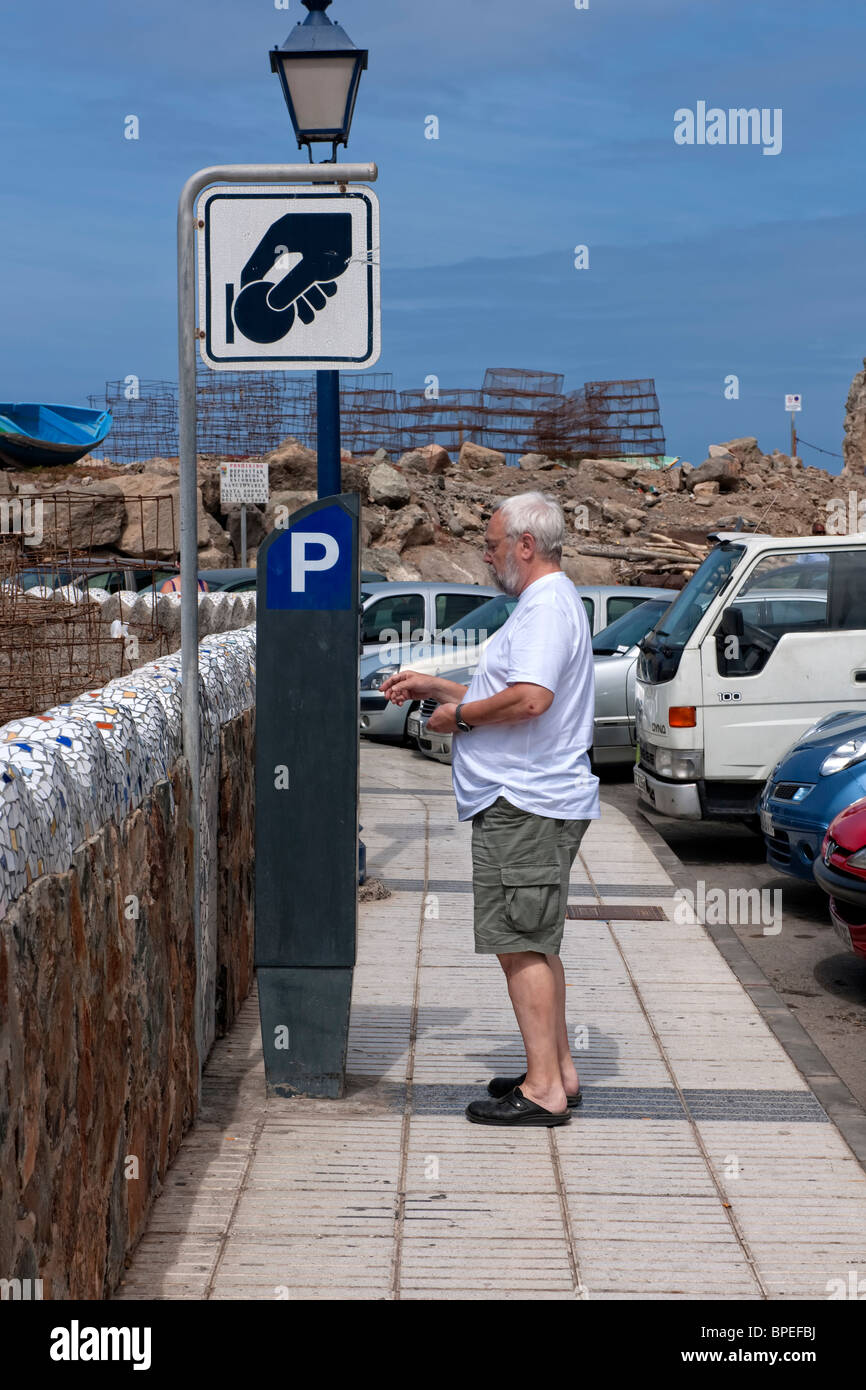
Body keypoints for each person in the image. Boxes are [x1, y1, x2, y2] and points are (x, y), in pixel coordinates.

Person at [382, 491, 600, 1127]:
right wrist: (439, 687)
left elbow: (530, 699)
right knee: (535, 939)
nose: (486, 554)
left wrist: (459, 718)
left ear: (525, 546)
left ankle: (543, 1092)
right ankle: (557, 1071)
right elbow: (520, 690)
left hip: (526, 801)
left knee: (520, 943)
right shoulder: (548, 604)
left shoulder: (545, 608)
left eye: (493, 543)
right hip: (533, 798)